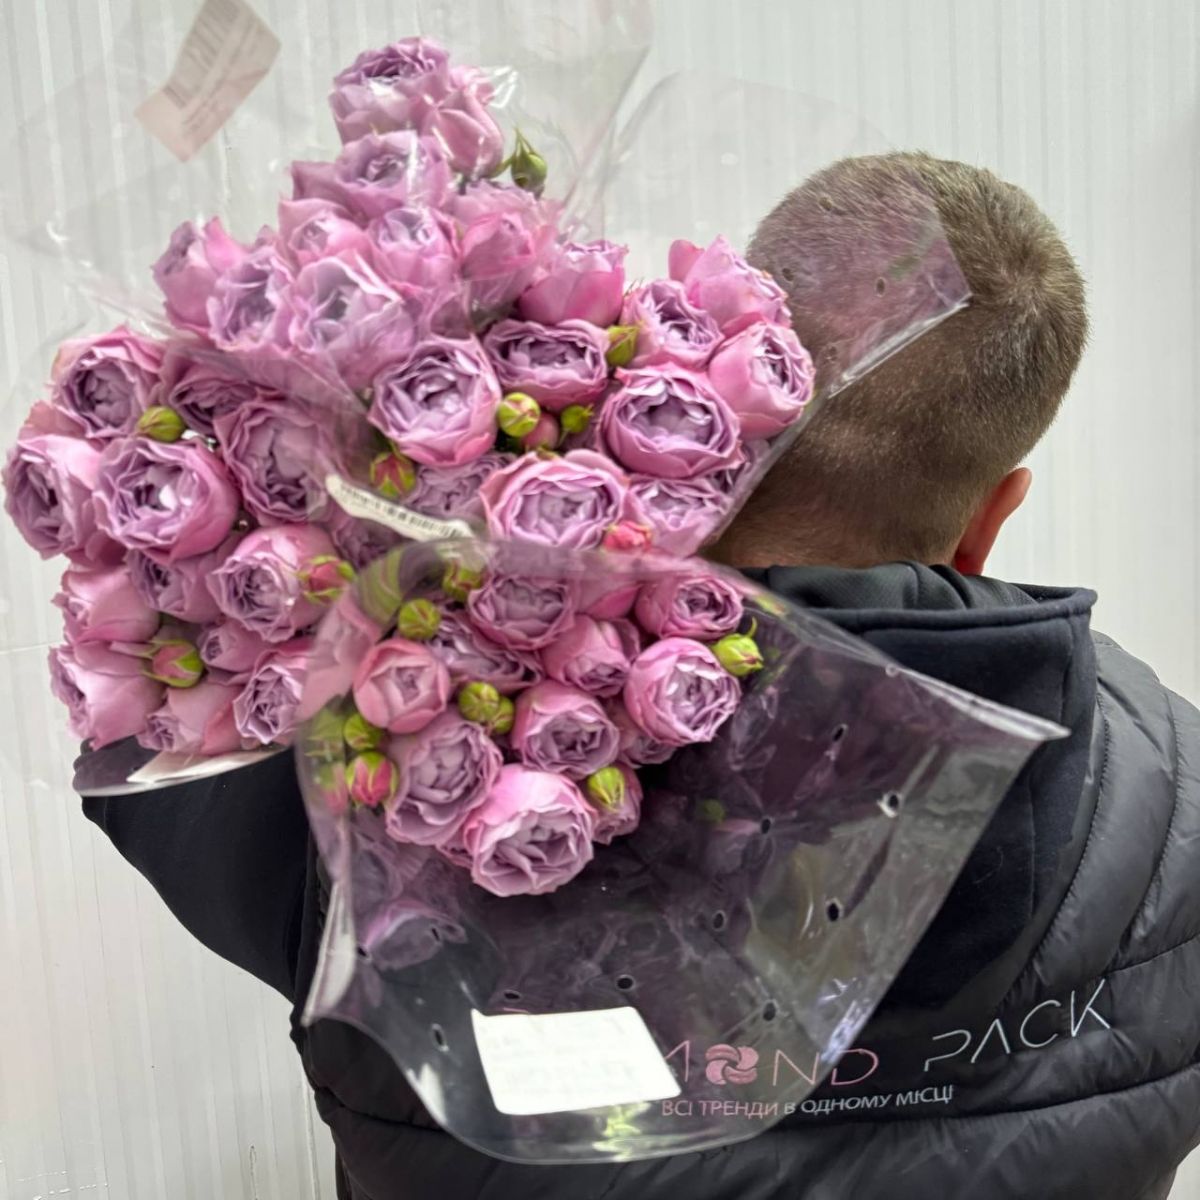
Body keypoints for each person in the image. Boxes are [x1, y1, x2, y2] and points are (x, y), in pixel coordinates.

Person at [82, 152, 1200, 1200]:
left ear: (701, 377)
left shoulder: (378, 755)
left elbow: (144, 723)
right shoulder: (1177, 792)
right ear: (993, 517)